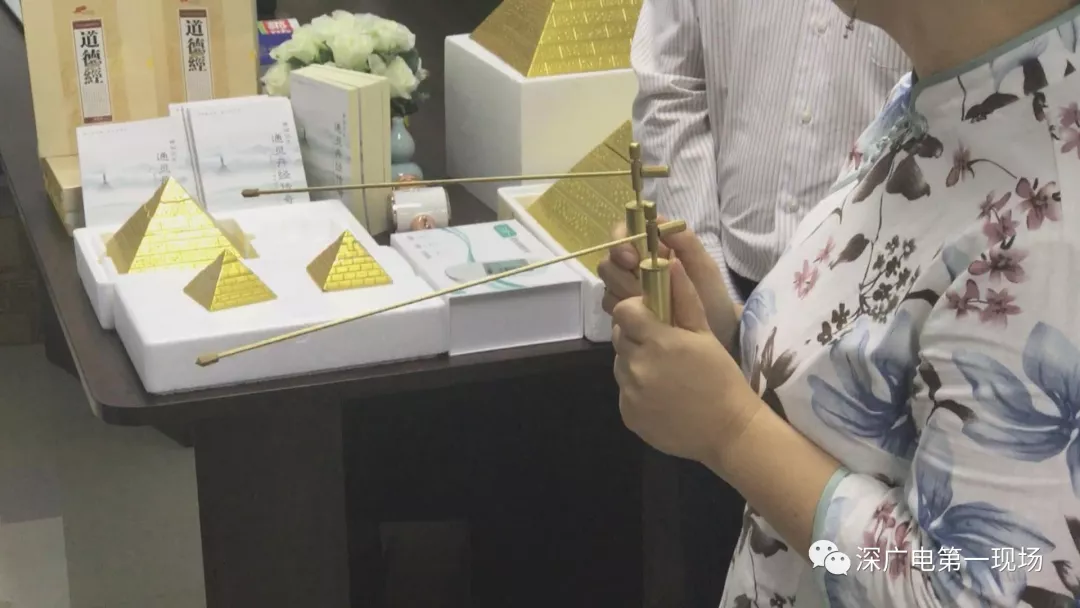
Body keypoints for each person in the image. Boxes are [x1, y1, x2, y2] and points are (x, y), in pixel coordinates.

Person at [601, 0, 1080, 605]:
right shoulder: (947, 95)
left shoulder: (1047, 223)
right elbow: (869, 387)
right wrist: (724, 336)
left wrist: (731, 432)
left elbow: (965, 590)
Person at [628, 1, 908, 603]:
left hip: (873, 337)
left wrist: (733, 428)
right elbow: (672, 84)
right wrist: (725, 318)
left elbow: (947, 583)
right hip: (731, 293)